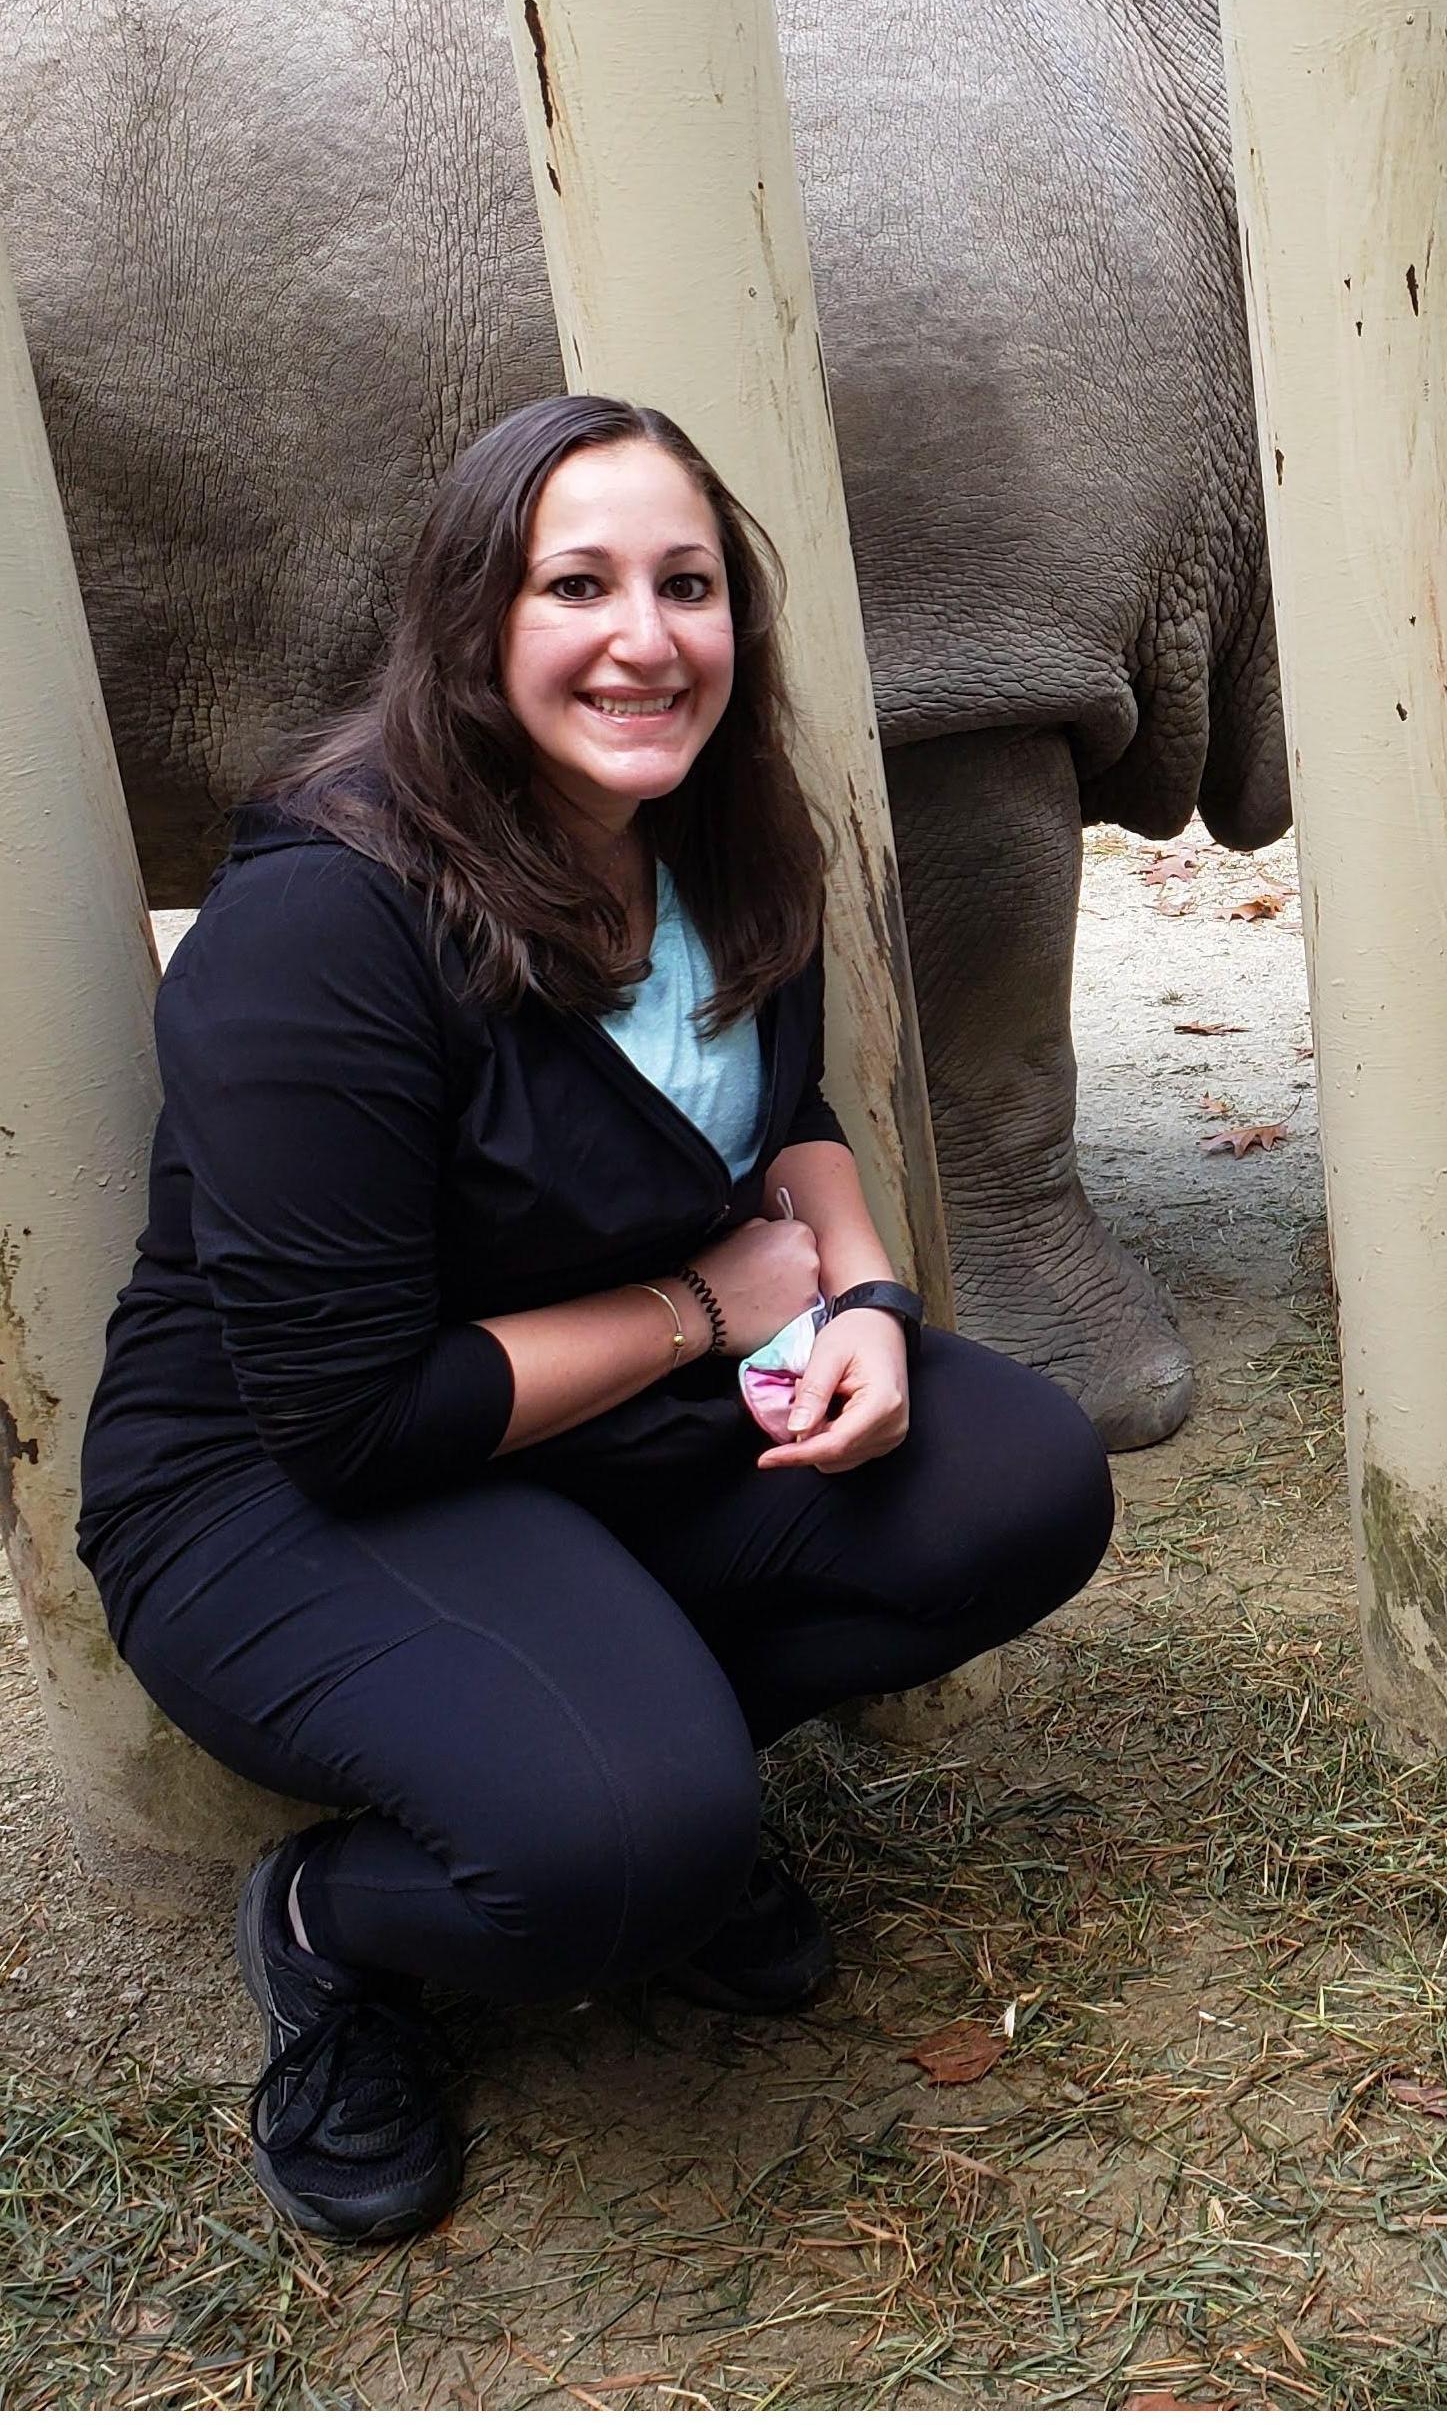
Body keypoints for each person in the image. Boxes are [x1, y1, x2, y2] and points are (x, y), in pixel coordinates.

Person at [81, 392, 1116, 2246]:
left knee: (1021, 1478)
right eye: (580, 584)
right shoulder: (325, 922)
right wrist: (709, 1306)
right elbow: (349, 1417)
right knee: (620, 1849)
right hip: (292, 1488)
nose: (647, 638)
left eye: (689, 585)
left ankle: (636, 1767)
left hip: (591, 1420)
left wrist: (863, 1294)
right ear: (475, 620)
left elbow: (776, 1124)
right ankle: (340, 1926)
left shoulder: (714, 836)